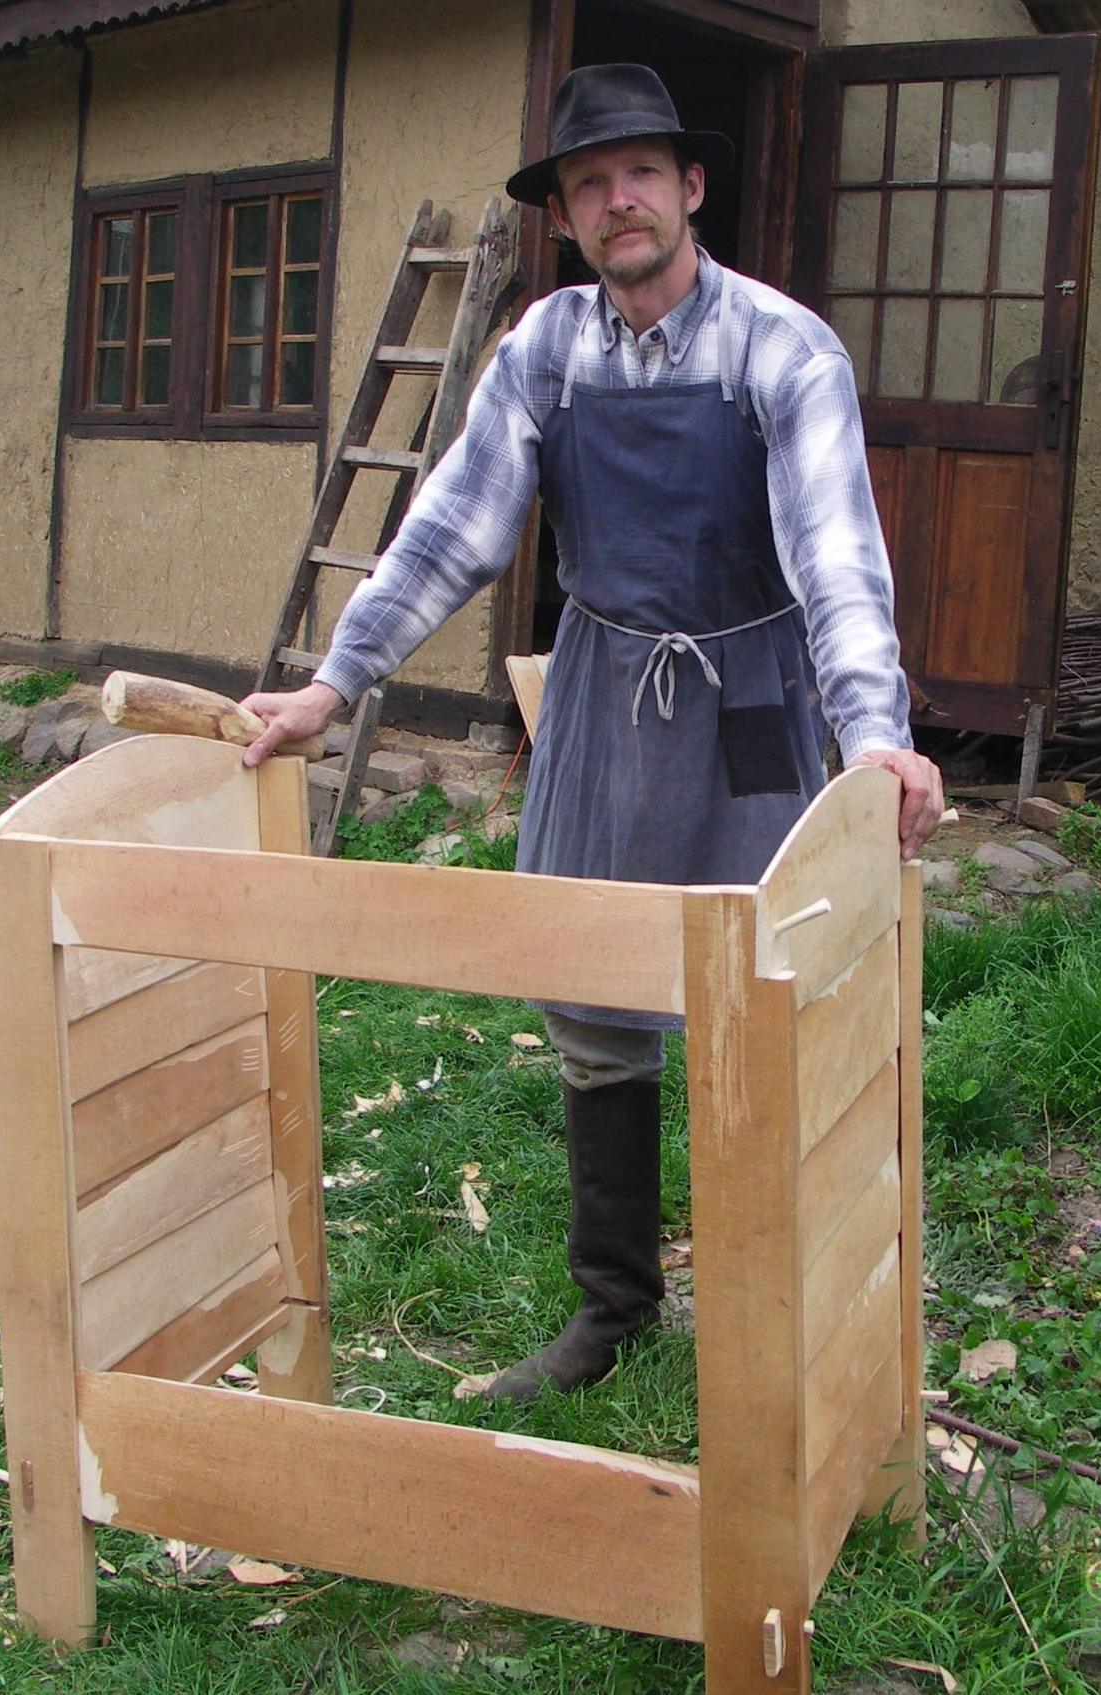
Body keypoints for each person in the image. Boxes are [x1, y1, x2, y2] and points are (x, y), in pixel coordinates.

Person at [242, 62, 944, 1400]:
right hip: (600, 696)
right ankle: (613, 1312)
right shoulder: (543, 352)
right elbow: (452, 530)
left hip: (750, 701)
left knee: (771, 988)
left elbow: (838, 557)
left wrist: (873, 739)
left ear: (690, 189)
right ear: (564, 218)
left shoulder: (782, 348)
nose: (619, 199)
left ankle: (775, 1309)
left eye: (641, 174)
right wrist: (334, 685)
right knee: (590, 991)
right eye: (588, 183)